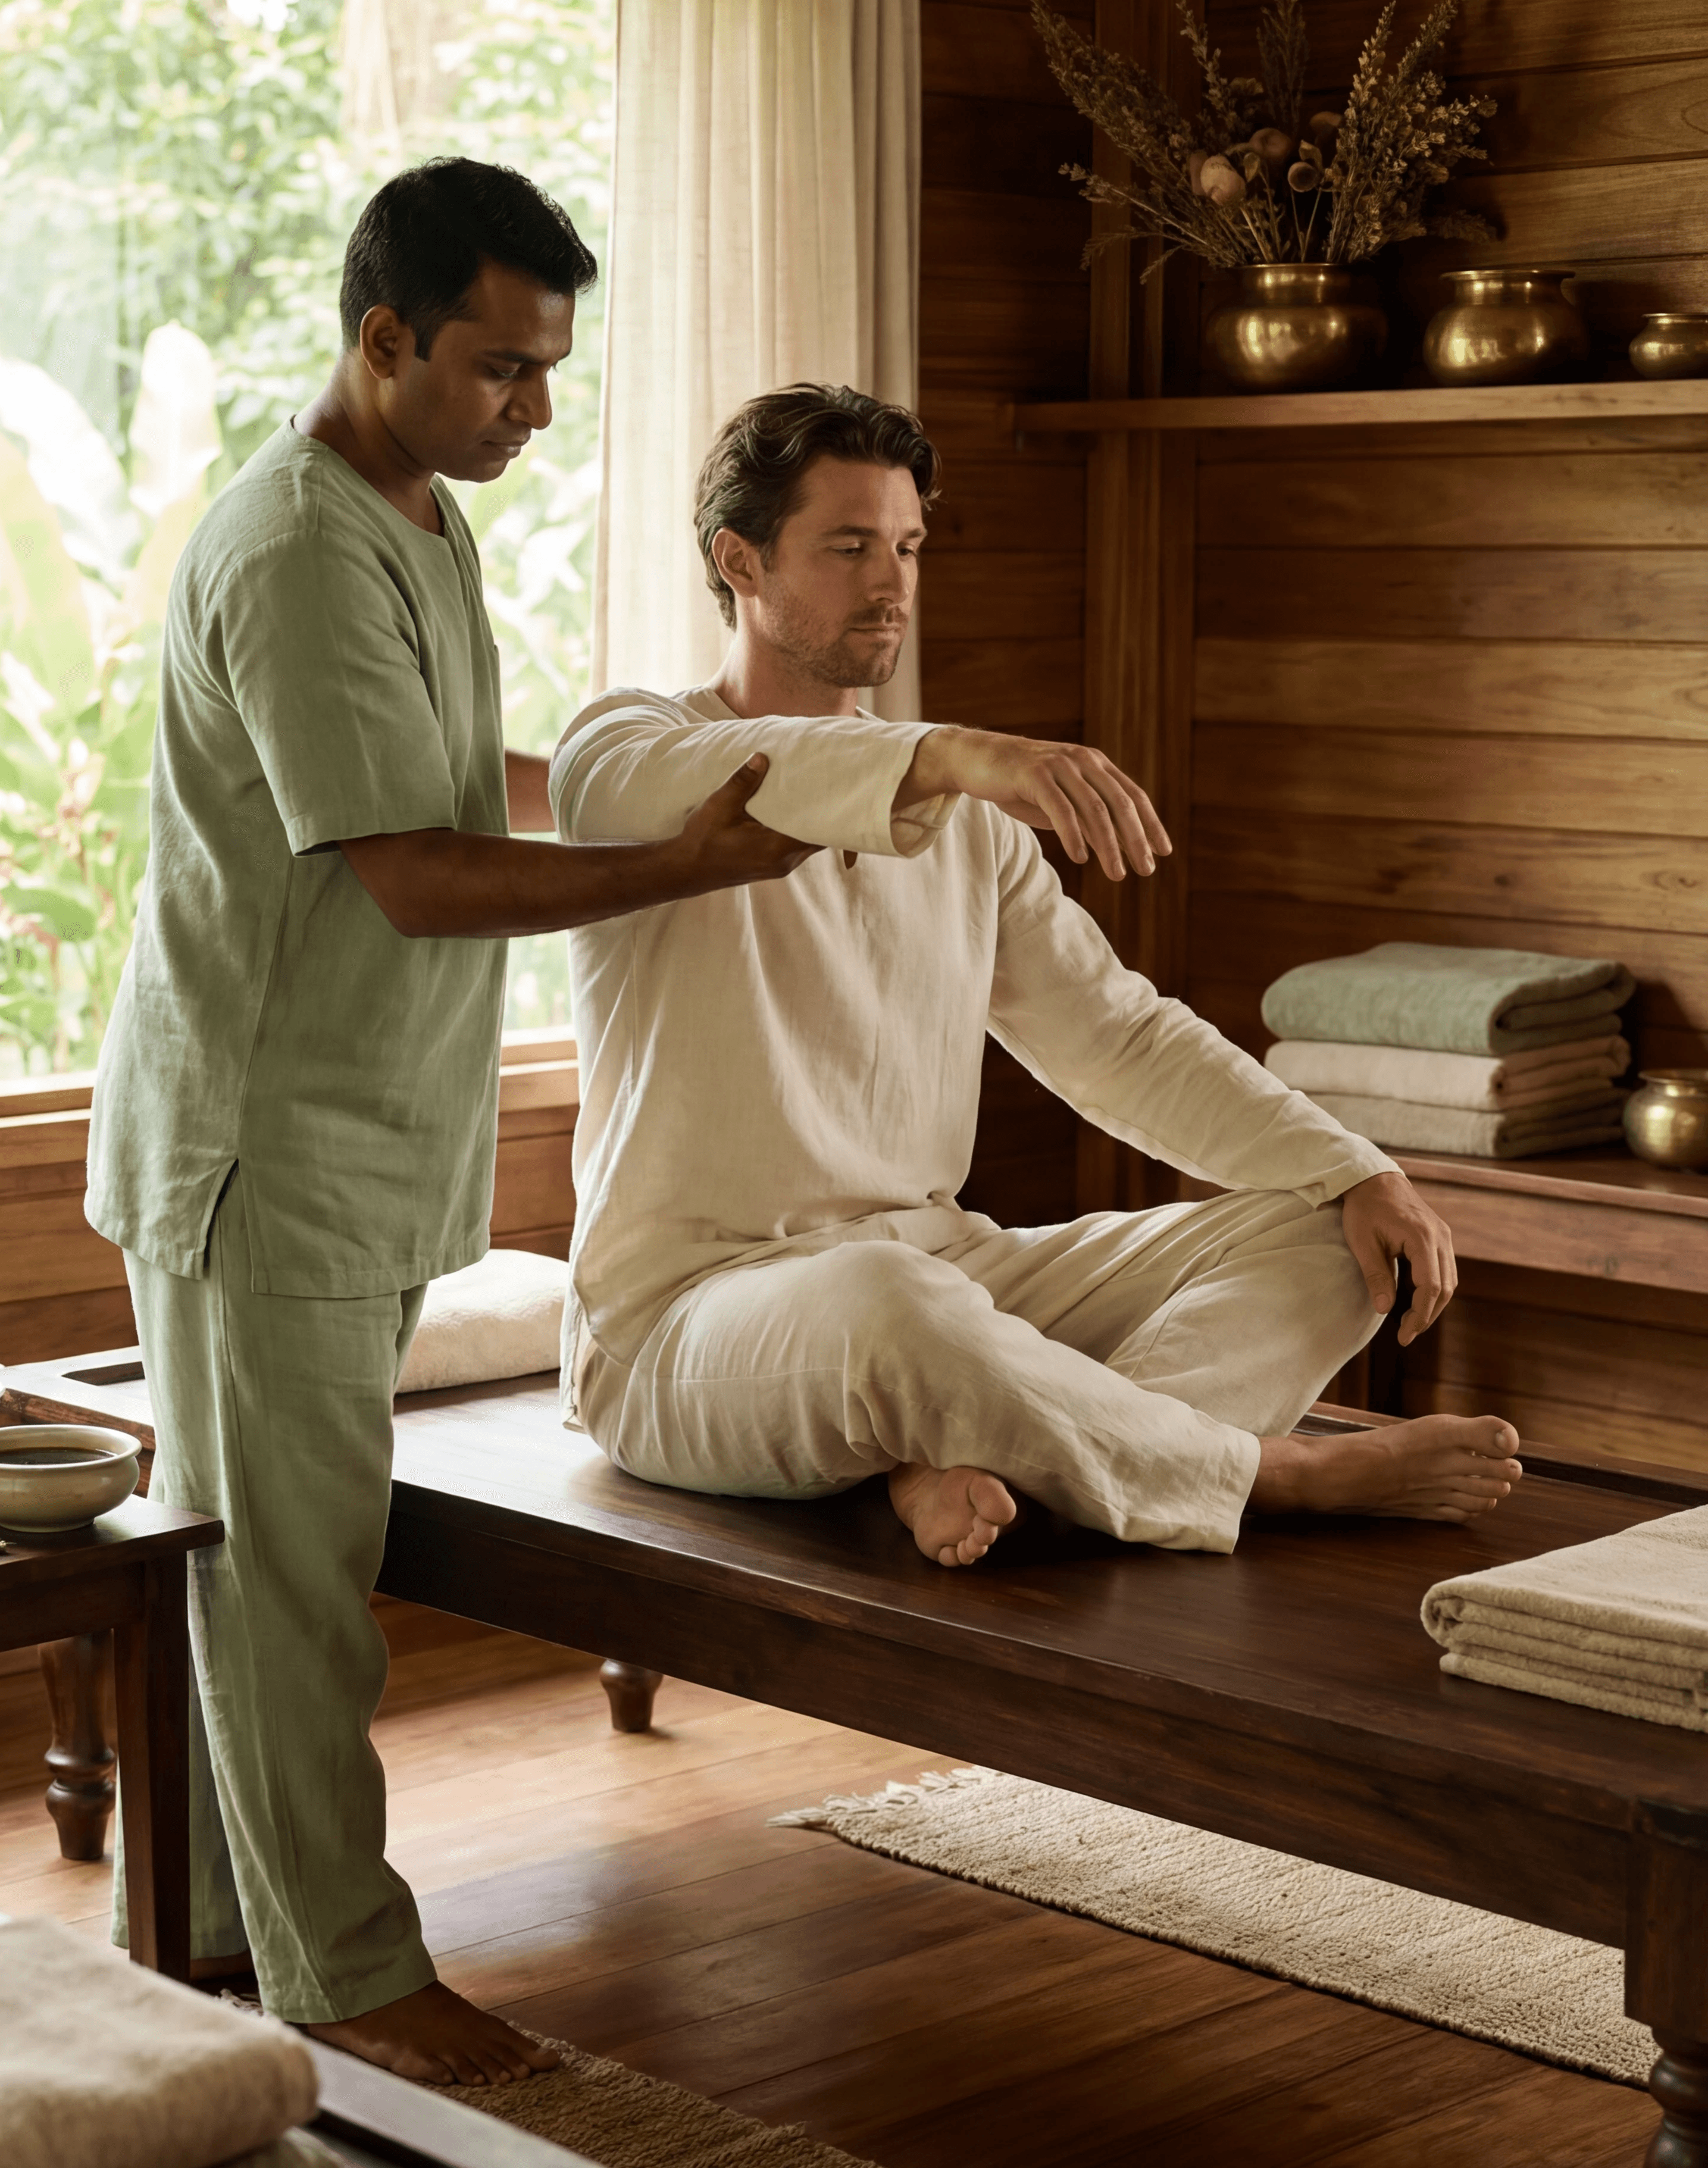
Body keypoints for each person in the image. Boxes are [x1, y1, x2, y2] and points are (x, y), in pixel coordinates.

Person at [85, 161, 815, 2088]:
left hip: (355, 1140)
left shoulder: (417, 516)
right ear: (385, 338)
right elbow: (411, 869)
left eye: (555, 368)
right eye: (502, 367)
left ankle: (234, 1934)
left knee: (288, 1562)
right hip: (261, 1154)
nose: (536, 410)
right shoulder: (300, 546)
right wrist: (681, 869)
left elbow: (449, 774)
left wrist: (639, 794)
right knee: (290, 1582)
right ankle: (344, 1976)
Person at [550, 381, 1524, 1573]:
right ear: (738, 561)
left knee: (1328, 1239)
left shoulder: (969, 832)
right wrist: (959, 751)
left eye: (906, 544)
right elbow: (729, 776)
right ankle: (1270, 1472)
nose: (891, 580)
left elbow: (1118, 1038)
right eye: (849, 545)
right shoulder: (626, 750)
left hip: (937, 1271)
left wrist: (1353, 1166)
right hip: (685, 1323)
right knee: (893, 1305)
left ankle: (993, 1453)